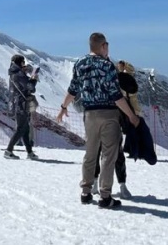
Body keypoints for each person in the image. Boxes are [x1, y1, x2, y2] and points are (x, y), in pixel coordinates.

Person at [57, 33, 140, 209]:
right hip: (109, 114)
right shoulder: (106, 65)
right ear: (103, 46)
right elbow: (116, 95)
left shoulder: (80, 64)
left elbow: (73, 89)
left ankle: (86, 192)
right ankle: (105, 196)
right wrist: (131, 115)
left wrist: (63, 107)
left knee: (90, 153)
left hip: (89, 115)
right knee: (109, 155)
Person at [94, 60, 141, 199]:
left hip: (97, 117)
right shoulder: (120, 78)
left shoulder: (96, 79)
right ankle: (122, 185)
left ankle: (95, 184)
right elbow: (131, 93)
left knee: (96, 151)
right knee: (117, 153)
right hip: (116, 119)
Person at [5, 55, 39, 160]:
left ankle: (29, 152)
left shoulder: (13, 73)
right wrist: (33, 79)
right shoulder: (19, 74)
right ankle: (8, 150)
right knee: (21, 128)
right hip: (21, 104)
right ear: (21, 63)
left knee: (25, 128)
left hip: (16, 104)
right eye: (23, 62)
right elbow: (31, 88)